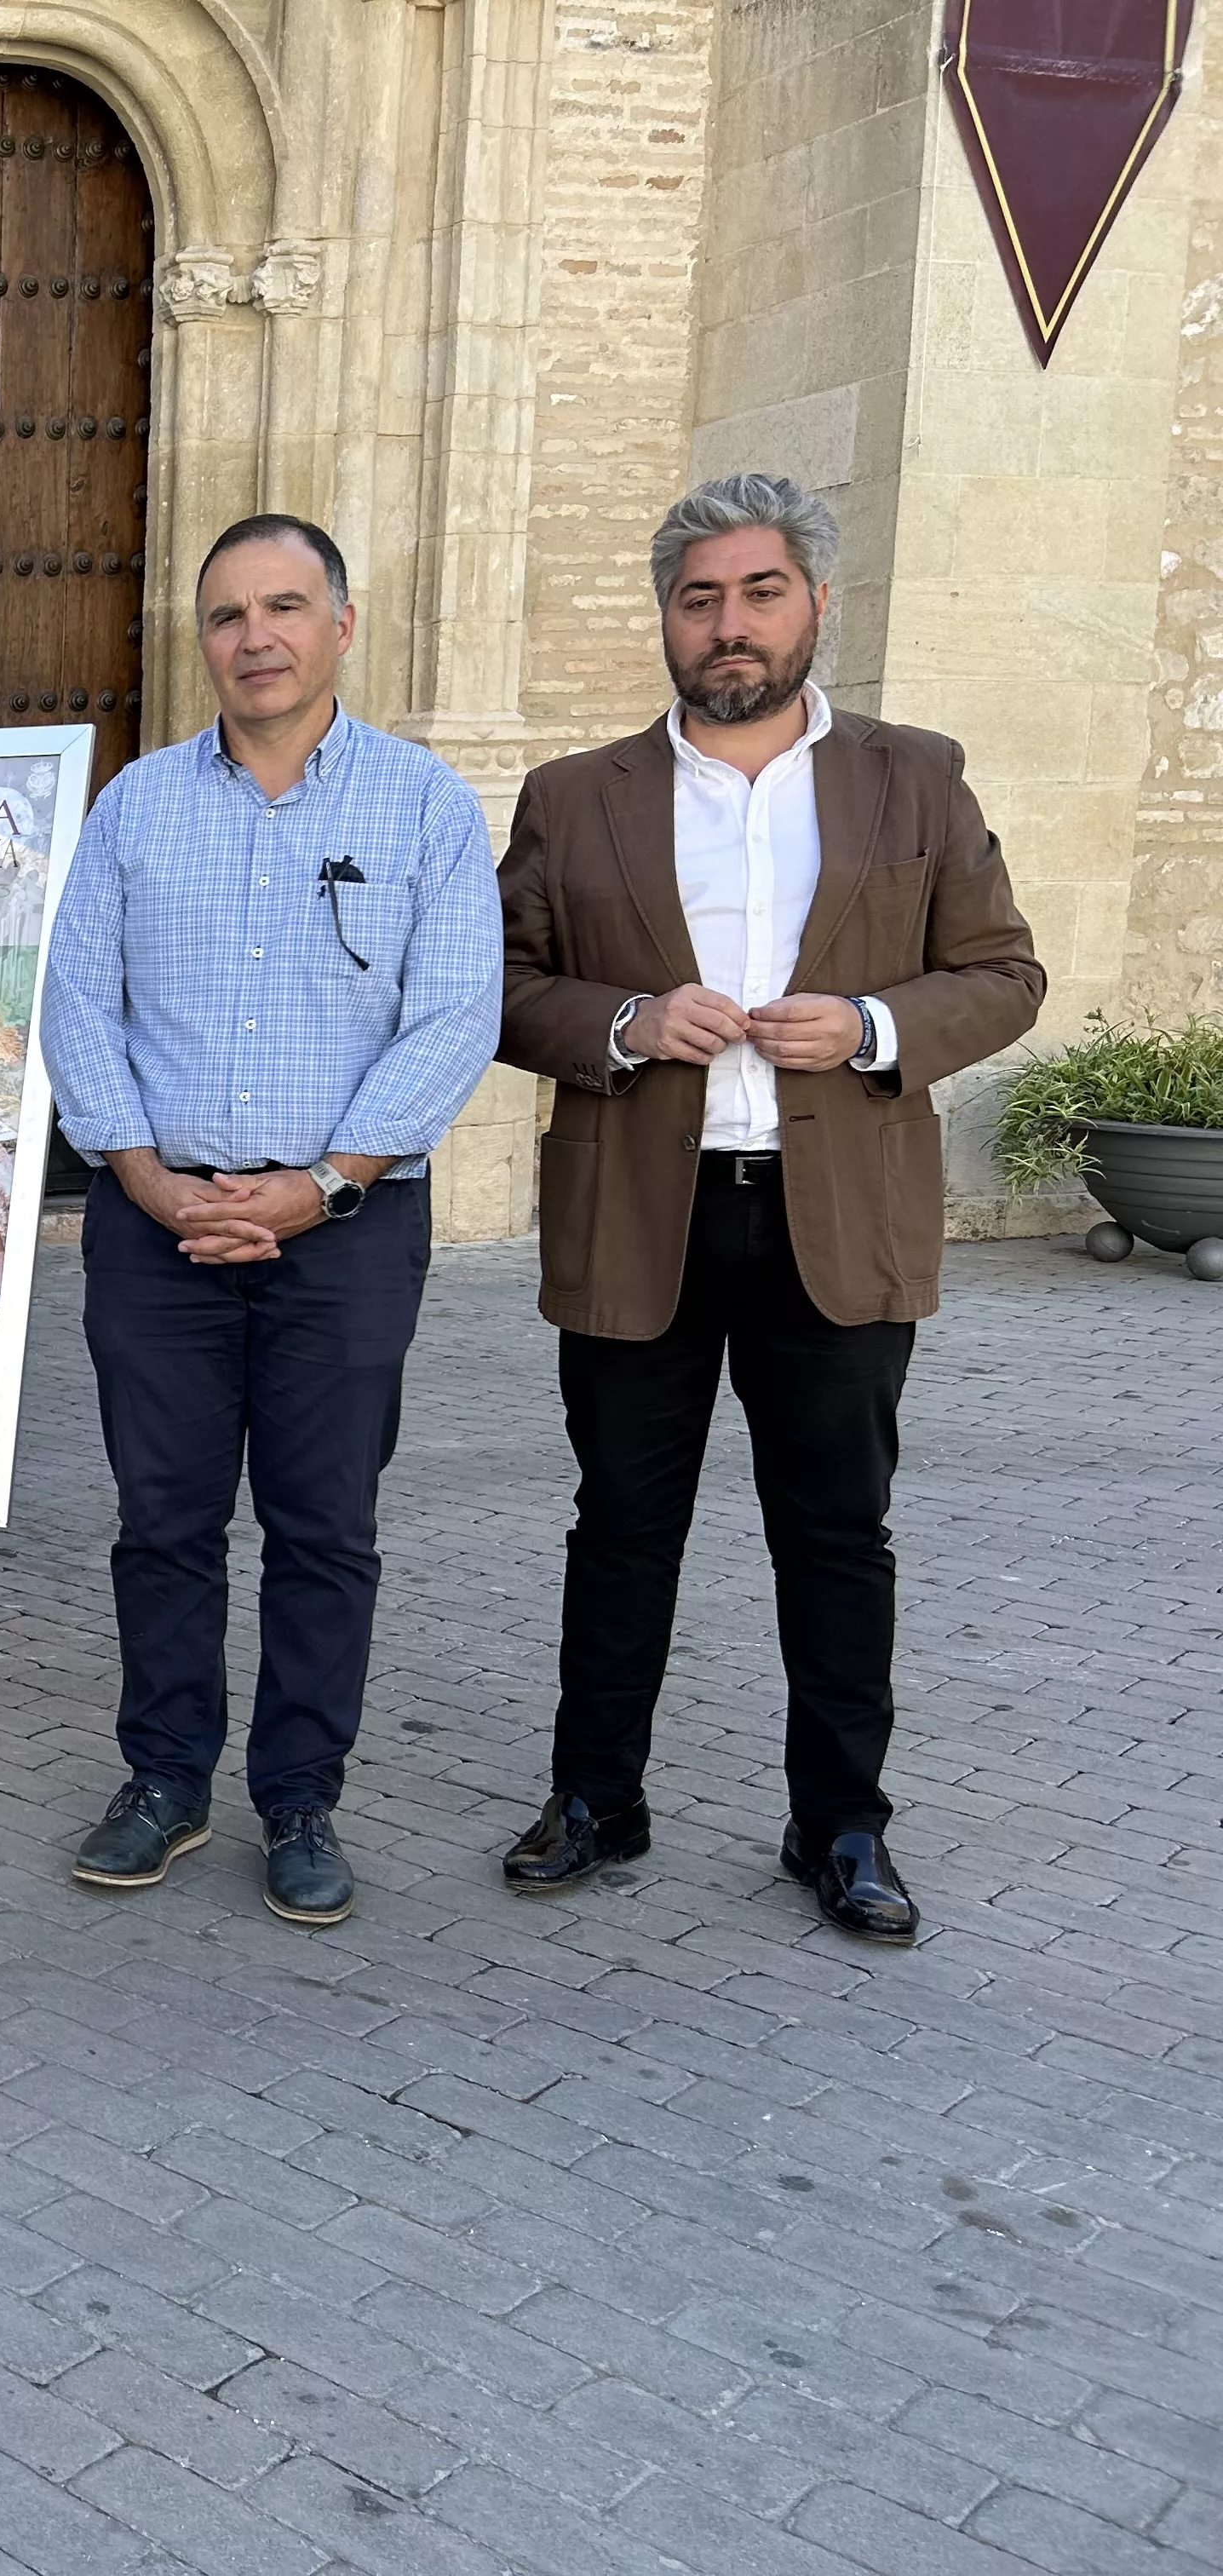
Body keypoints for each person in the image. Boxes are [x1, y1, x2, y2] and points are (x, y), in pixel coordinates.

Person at [492, 473, 1042, 1942]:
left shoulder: (913, 776)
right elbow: (499, 984)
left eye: (758, 593)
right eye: (698, 599)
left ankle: (842, 1826)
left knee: (838, 1534)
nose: (727, 626)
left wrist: (867, 1024)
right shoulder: (573, 795)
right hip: (639, 1218)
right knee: (620, 1524)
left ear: (813, 604)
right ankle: (598, 1796)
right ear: (665, 620)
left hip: (834, 1217)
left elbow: (1003, 973)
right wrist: (622, 1022)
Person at [38, 513, 503, 1926]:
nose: (257, 637)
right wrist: (140, 1172)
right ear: (206, 641)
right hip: (157, 1224)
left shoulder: (424, 806)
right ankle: (167, 1778)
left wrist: (320, 1187)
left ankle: (301, 1799)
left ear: (341, 627)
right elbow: (77, 1000)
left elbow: (453, 1017)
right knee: (163, 1521)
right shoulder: (136, 807)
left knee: (324, 1526)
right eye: (229, 614)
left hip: (349, 1231)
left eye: (285, 607)